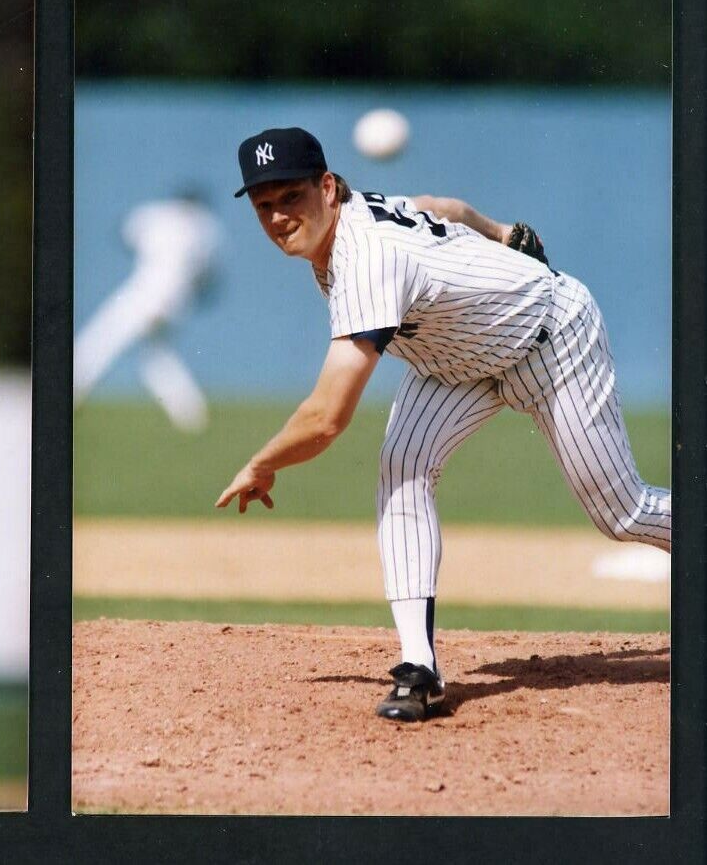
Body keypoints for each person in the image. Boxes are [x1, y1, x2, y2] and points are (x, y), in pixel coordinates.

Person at [214, 127, 670, 722]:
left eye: (290, 198)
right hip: (457, 359)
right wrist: (501, 232)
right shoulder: (352, 218)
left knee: (623, 512)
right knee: (403, 466)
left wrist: (262, 461)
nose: (277, 216)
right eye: (263, 205)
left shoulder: (367, 259)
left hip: (552, 340)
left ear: (327, 188)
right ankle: (418, 667)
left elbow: (327, 416)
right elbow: (440, 208)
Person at [73, 189, 221, 432]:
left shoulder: (159, 213)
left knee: (100, 339)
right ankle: (192, 413)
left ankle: (71, 390)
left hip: (146, 294)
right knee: (156, 358)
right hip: (176, 304)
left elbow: (124, 231)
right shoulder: (208, 228)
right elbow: (209, 276)